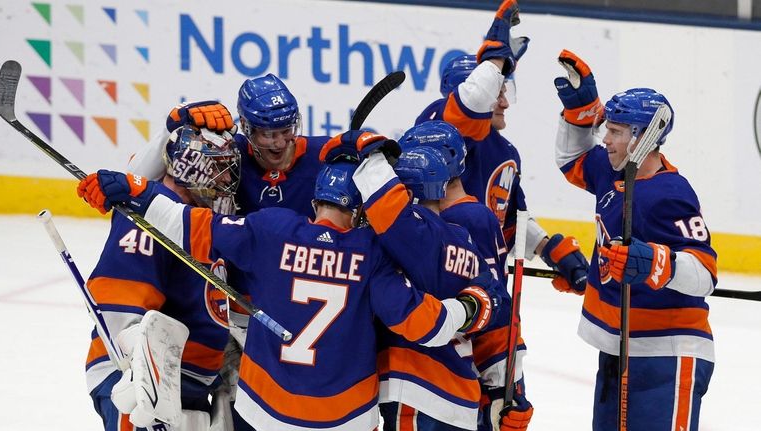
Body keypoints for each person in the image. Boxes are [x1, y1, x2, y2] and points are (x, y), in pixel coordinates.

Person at [76, 159, 504, 431]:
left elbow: (187, 224)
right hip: (345, 418)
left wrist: (135, 190)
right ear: (359, 212)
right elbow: (416, 323)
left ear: (316, 200)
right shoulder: (372, 252)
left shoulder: (272, 229)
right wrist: (467, 307)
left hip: (265, 410)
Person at [552, 49, 718, 430]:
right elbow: (570, 158)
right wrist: (581, 111)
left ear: (643, 138)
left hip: (668, 353)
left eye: (615, 132)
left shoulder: (670, 193)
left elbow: (705, 273)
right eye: (606, 129)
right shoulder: (613, 171)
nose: (605, 139)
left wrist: (653, 262)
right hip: (620, 346)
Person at [415, 0, 589, 298]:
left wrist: (548, 247)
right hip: (439, 279)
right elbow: (470, 105)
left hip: (489, 282)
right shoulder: (436, 127)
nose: (505, 103)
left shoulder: (506, 151)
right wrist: (494, 58)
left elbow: (509, 217)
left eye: (505, 92)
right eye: (498, 93)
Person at [79, 125, 244, 430]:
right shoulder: (147, 221)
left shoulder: (197, 219)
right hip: (139, 382)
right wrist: (136, 375)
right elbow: (118, 304)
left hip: (185, 383)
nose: (227, 181)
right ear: (193, 167)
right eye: (220, 169)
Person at [398, 120, 531, 431]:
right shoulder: (459, 216)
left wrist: (503, 389)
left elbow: (495, 310)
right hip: (451, 367)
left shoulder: (463, 219)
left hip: (458, 370)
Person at [128, 74, 329, 218]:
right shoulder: (226, 154)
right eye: (268, 134)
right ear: (246, 127)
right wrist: (170, 128)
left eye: (286, 130)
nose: (280, 143)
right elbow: (134, 176)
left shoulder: (326, 153)